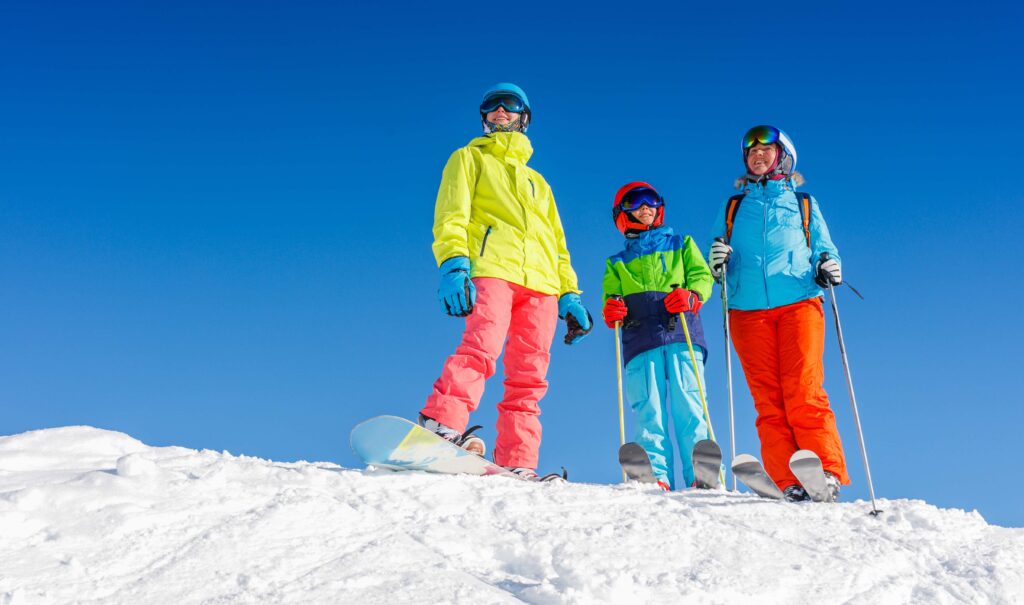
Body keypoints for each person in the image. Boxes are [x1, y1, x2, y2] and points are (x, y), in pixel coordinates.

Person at [419, 83, 592, 480]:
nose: (500, 110)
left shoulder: (539, 184)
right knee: (481, 347)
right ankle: (441, 422)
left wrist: (570, 294)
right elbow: (451, 215)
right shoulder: (468, 158)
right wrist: (454, 264)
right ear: (484, 116)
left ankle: (518, 458)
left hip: (543, 285)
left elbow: (558, 244)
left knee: (530, 376)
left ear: (523, 117)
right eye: (492, 105)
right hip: (494, 267)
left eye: (510, 105)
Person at [708, 125, 848, 502]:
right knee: (768, 401)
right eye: (751, 152)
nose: (757, 155)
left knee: (803, 388)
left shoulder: (803, 203)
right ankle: (787, 479)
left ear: (783, 157)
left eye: (766, 150)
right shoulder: (733, 207)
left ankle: (826, 471)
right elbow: (715, 254)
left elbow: (824, 247)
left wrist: (829, 264)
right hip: (747, 310)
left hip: (798, 302)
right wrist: (716, 261)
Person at [601, 182, 714, 490]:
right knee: (648, 407)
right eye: (636, 201)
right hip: (640, 339)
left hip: (681, 333)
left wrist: (692, 295)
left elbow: (702, 276)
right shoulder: (617, 263)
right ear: (622, 213)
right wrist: (612, 309)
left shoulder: (681, 244)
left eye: (651, 200)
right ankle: (656, 475)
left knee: (690, 401)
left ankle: (701, 473)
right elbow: (610, 297)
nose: (645, 206)